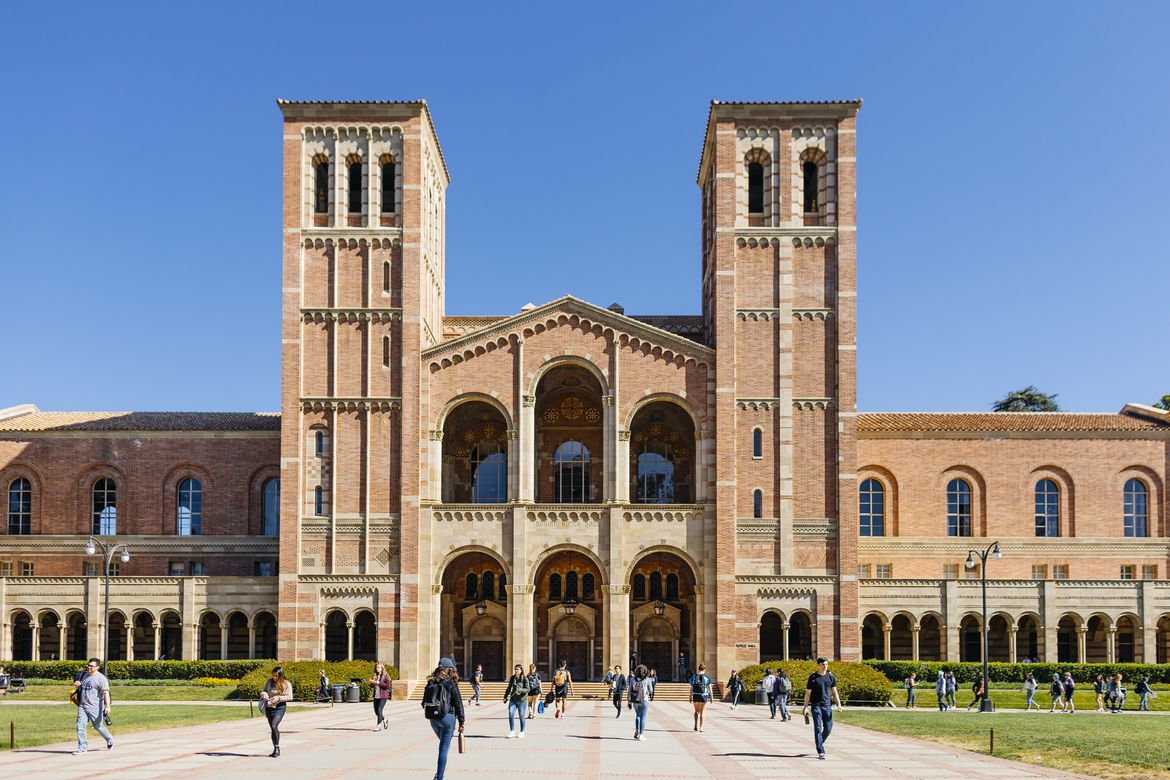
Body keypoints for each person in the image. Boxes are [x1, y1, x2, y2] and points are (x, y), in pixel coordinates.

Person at [421, 657, 465, 780]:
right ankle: (439, 777)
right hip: (447, 717)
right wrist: (462, 721)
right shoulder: (451, 683)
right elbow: (458, 704)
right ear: (451, 669)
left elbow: (423, 702)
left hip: (433, 719)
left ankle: (439, 775)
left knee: (443, 745)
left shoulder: (430, 682)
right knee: (444, 748)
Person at [801, 657, 842, 760]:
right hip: (816, 706)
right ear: (818, 665)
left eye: (826, 664)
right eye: (823, 664)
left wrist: (839, 704)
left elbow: (834, 691)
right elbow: (808, 693)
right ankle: (821, 750)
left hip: (827, 706)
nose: (825, 666)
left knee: (828, 728)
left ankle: (819, 742)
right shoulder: (813, 677)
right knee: (818, 728)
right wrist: (805, 707)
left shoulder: (831, 677)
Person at [72, 658, 113, 755]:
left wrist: (108, 707)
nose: (89, 667)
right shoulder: (83, 675)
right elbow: (79, 685)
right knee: (80, 726)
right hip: (82, 705)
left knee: (98, 726)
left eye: (91, 666)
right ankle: (82, 747)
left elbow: (106, 693)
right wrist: (77, 685)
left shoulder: (101, 678)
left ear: (97, 667)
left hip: (95, 707)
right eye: (88, 665)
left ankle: (109, 738)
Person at [259, 665, 293, 758]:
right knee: (272, 728)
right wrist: (264, 694)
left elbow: (290, 697)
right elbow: (264, 691)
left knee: (274, 725)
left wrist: (278, 698)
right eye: (273, 675)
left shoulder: (286, 683)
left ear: (281, 675)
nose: (274, 677)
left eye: (276, 676)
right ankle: (275, 748)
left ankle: (277, 748)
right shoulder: (269, 682)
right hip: (269, 706)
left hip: (280, 707)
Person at [503, 663, 530, 737]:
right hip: (513, 700)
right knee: (511, 714)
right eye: (515, 669)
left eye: (517, 669)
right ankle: (512, 731)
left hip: (522, 701)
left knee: (521, 716)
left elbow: (528, 689)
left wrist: (520, 690)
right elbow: (509, 688)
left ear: (521, 670)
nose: (515, 670)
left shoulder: (524, 678)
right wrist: (505, 696)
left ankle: (522, 732)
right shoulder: (512, 678)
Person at [628, 664, 651, 740]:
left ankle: (637, 731)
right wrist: (648, 691)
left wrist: (629, 701)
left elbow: (629, 690)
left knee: (638, 715)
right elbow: (651, 690)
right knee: (643, 717)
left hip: (635, 699)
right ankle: (641, 734)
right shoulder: (647, 679)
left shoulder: (632, 679)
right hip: (644, 699)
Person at [689, 663, 712, 732]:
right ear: (704, 669)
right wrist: (712, 697)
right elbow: (710, 688)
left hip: (695, 695)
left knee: (696, 711)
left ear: (698, 669)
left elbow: (691, 688)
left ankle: (695, 725)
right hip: (703, 696)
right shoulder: (707, 677)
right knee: (702, 712)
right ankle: (701, 728)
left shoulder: (694, 677)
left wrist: (690, 697)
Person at [370, 662, 392, 731]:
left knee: (379, 710)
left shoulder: (386, 676)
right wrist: (372, 683)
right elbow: (371, 686)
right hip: (376, 696)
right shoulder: (374, 675)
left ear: (382, 668)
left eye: (378, 667)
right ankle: (385, 719)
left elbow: (387, 686)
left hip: (383, 696)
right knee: (377, 712)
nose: (377, 669)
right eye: (376, 667)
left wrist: (379, 683)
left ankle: (378, 726)